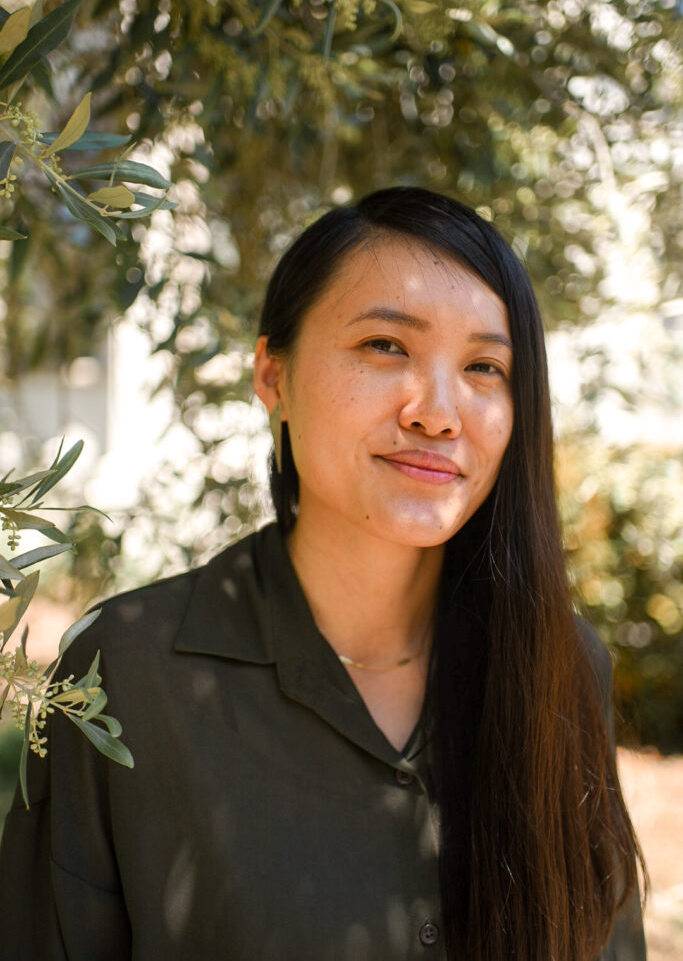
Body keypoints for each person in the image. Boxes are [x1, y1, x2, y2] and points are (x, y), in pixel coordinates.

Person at [0, 187, 646, 960]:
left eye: (483, 366)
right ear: (272, 376)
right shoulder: (128, 672)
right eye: (385, 346)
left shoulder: (561, 663)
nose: (438, 413)